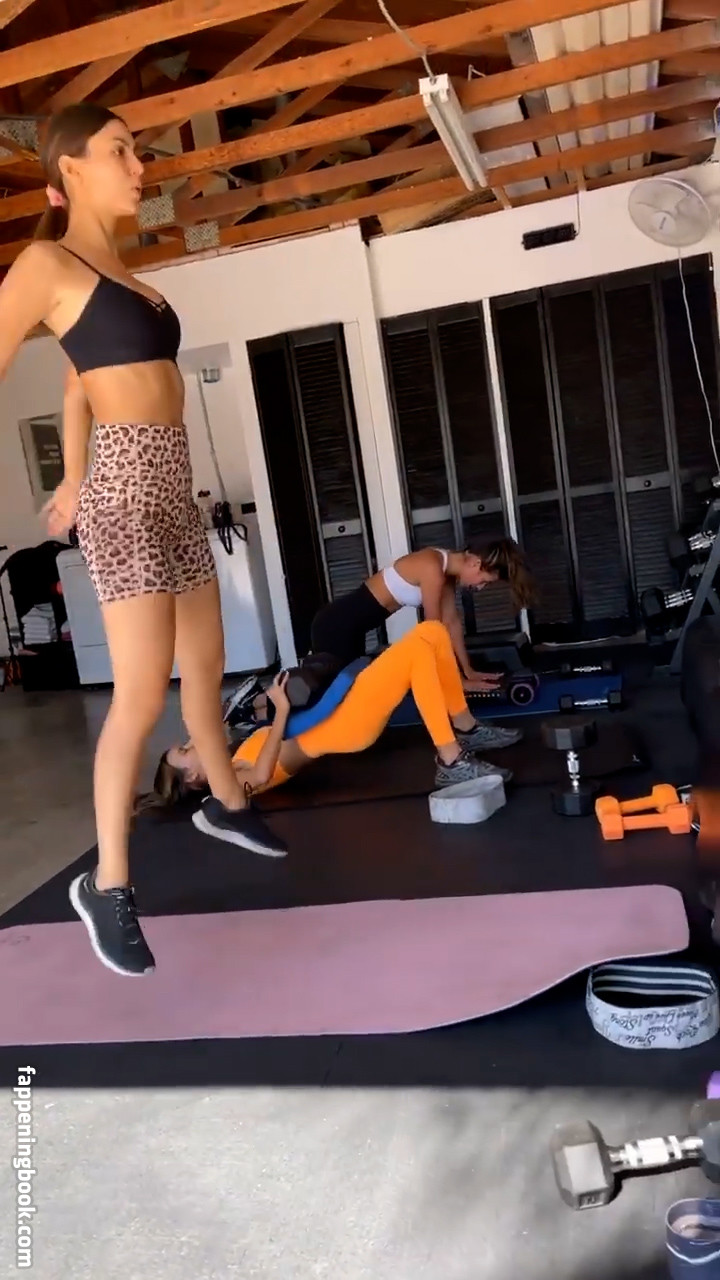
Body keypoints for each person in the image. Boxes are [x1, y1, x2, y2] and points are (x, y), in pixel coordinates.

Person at [0, 103, 284, 979]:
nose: (139, 167)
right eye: (120, 151)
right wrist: (84, 482)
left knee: (208, 664)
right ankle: (109, 885)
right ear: (70, 169)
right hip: (127, 491)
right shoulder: (44, 264)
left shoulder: (121, 276)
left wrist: (68, 473)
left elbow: (80, 384)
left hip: (169, 480)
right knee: (138, 695)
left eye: (138, 151)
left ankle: (225, 800)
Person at [152, 620, 515, 811]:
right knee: (419, 651)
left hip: (337, 713)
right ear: (193, 776)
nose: (188, 744)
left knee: (431, 631)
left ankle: (465, 727)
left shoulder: (226, 759)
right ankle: (451, 760)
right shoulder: (226, 787)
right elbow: (261, 774)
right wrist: (281, 711)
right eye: (184, 751)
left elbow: (210, 729)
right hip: (347, 726)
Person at [310, 537, 535, 751]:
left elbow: (451, 623)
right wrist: (457, 680)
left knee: (351, 700)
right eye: (484, 581)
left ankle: (467, 730)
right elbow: (433, 631)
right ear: (475, 563)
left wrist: (468, 672)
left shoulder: (445, 573)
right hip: (334, 626)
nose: (480, 587)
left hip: (352, 629)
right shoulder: (432, 567)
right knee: (335, 703)